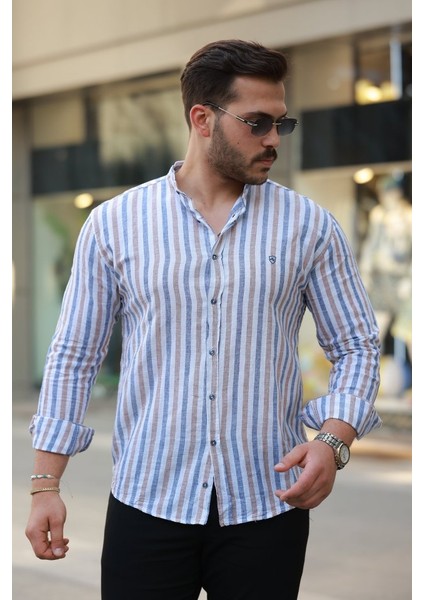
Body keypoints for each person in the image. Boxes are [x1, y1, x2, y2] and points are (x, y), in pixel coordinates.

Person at [25, 39, 381, 600]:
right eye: (257, 122)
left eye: (281, 124)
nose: (273, 139)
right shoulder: (115, 225)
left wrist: (333, 440)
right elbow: (74, 356)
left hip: (267, 506)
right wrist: (45, 485)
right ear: (202, 119)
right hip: (147, 503)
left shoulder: (309, 226)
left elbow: (357, 345)